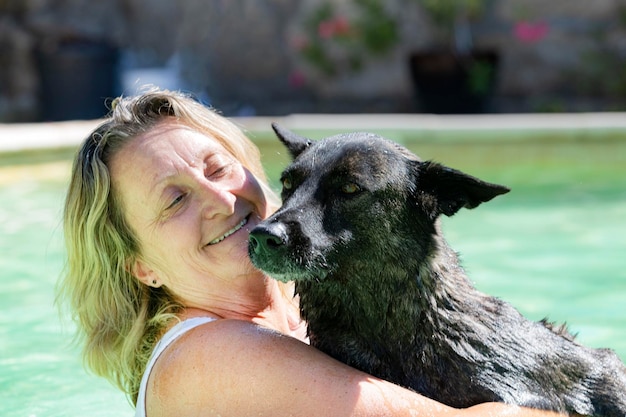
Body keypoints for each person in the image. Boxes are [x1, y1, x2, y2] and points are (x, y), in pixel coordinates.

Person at [57, 89, 566, 417]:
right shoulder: (209, 360)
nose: (220, 200)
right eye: (174, 200)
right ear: (140, 266)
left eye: (216, 168)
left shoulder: (322, 302)